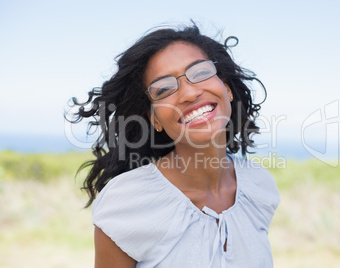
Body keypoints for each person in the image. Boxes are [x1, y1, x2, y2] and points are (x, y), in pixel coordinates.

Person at [69, 22, 280, 268]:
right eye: (164, 88)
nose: (189, 93)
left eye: (200, 72)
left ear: (227, 88)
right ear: (155, 119)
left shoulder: (258, 187)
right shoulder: (126, 203)